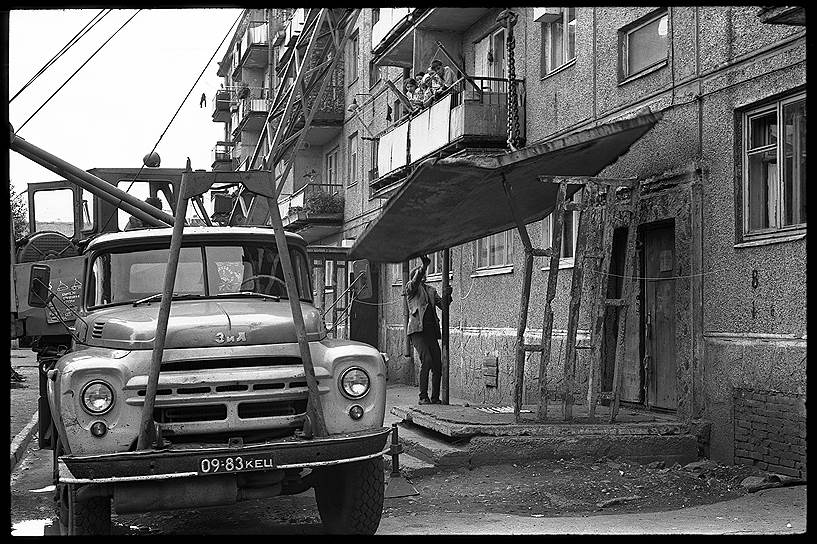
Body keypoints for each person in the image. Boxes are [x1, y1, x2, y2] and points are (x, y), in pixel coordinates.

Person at [404, 254, 453, 405]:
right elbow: (415, 281)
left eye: (424, 274)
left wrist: (447, 295)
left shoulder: (431, 290)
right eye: (421, 274)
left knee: (437, 364)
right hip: (417, 331)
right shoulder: (411, 290)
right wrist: (423, 266)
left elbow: (443, 306)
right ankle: (422, 397)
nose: (423, 276)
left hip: (430, 331)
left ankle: (435, 398)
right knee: (427, 360)